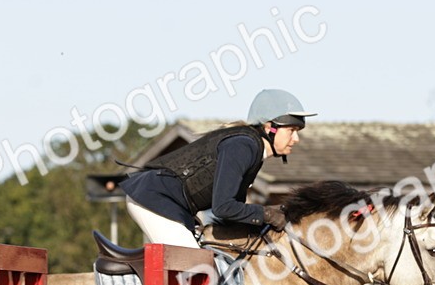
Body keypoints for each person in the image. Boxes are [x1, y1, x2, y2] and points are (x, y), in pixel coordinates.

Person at [119, 88, 316, 248]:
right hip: (153, 199)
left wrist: (275, 213)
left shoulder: (253, 151)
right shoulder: (243, 147)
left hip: (172, 205)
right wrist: (266, 214)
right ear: (269, 128)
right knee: (197, 268)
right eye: (292, 130)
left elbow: (235, 212)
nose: (296, 139)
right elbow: (223, 208)